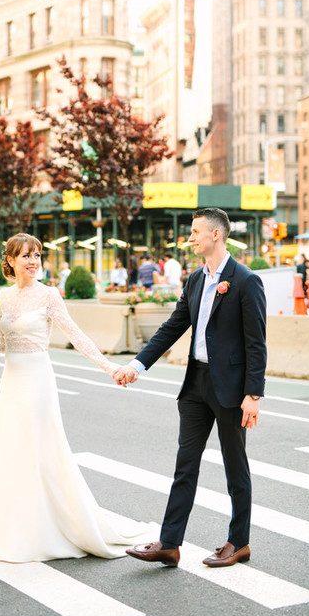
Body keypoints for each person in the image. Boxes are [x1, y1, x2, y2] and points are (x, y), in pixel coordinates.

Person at [0, 232, 149, 563]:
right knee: (13, 456)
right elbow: (2, 345)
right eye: (26, 255)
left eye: (37, 255)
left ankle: (54, 533)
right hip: (10, 383)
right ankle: (18, 539)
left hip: (37, 384)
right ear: (9, 260)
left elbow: (76, 336)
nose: (34, 261)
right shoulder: (2, 297)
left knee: (41, 454)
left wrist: (108, 366)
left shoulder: (48, 295)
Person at [112, 208, 266, 568]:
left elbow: (256, 343)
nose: (191, 237)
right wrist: (136, 365)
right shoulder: (195, 280)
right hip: (195, 385)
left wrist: (253, 395)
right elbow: (172, 326)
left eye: (196, 232)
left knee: (235, 467)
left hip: (230, 389)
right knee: (185, 464)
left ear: (216, 235)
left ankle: (238, 542)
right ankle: (169, 542)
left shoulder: (245, 280)